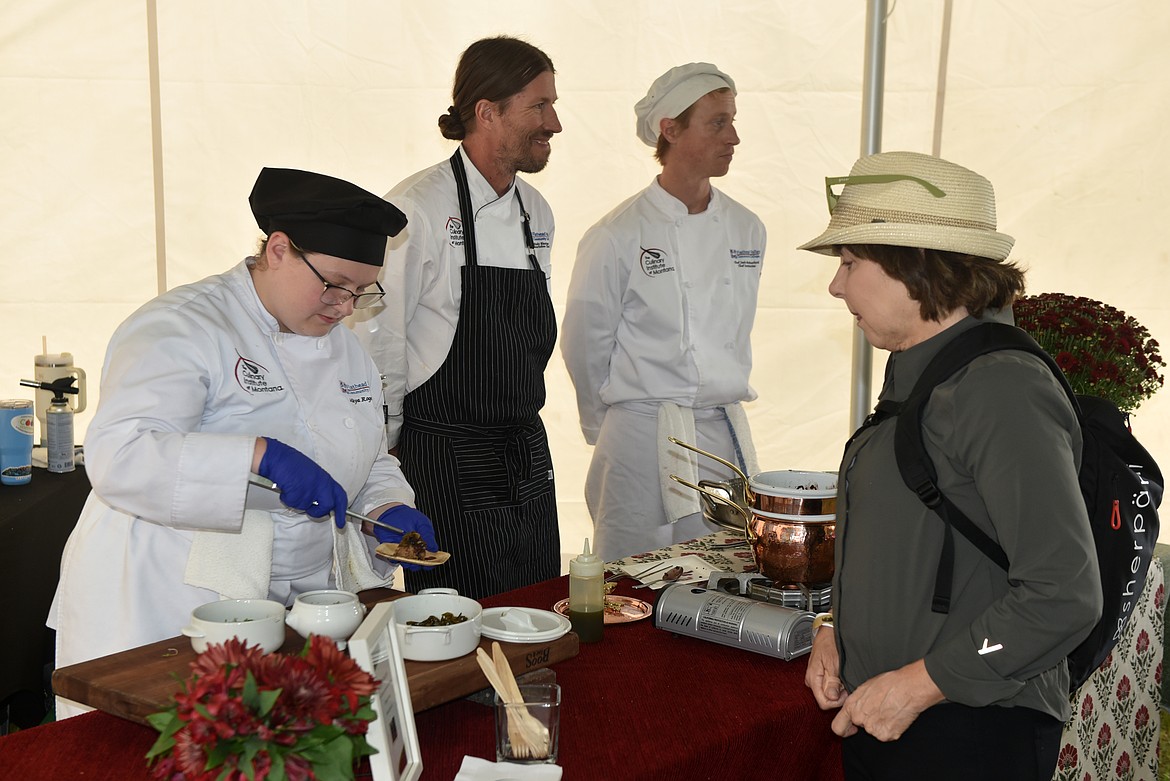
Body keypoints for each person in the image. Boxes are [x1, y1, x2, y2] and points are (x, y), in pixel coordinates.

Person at [50, 167, 437, 716]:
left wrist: (387, 505)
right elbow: (120, 456)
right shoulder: (183, 326)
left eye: (361, 292)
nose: (345, 307)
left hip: (286, 604)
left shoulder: (344, 347)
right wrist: (257, 456)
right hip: (166, 598)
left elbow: (368, 452)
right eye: (333, 284)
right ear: (278, 249)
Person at [798, 151, 1102, 780]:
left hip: (971, 727)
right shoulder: (927, 371)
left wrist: (921, 684)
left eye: (851, 263)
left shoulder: (997, 388)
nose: (835, 285)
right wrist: (838, 629)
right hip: (900, 714)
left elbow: (1062, 593)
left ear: (916, 265)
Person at [351, 36, 561, 599]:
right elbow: (378, 337)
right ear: (486, 112)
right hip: (446, 455)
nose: (555, 123)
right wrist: (386, 445)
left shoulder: (535, 212)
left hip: (525, 446)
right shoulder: (415, 208)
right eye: (539, 106)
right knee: (459, 623)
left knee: (538, 608)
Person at [560, 63, 766, 561]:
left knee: (726, 569)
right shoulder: (617, 234)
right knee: (630, 573)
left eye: (733, 120)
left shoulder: (747, 229)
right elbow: (584, 344)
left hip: (722, 429)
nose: (733, 136)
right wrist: (605, 426)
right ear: (669, 129)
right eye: (717, 122)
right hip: (640, 434)